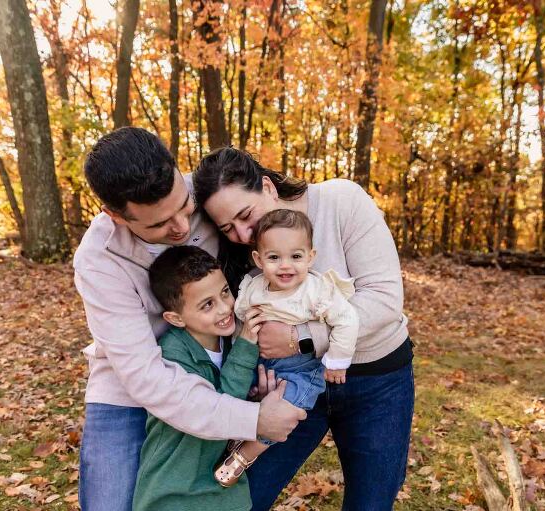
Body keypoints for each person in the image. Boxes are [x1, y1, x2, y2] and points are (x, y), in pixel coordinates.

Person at [73, 127, 305, 511]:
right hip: (130, 388)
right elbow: (146, 379)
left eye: (184, 208)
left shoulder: (209, 196)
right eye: (159, 225)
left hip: (215, 368)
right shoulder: (98, 260)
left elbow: (277, 225)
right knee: (109, 503)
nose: (181, 228)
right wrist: (252, 419)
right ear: (114, 215)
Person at [194, 147, 414, 511]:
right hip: (290, 385)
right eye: (228, 228)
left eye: (245, 215)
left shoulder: (340, 202)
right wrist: (257, 374)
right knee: (245, 498)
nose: (244, 233)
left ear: (267, 186)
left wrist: (301, 339)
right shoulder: (244, 256)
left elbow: (385, 299)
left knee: (371, 503)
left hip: (376, 381)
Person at [214, 209, 358, 488]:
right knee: (241, 397)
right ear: (258, 259)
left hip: (301, 369)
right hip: (260, 363)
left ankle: (244, 455)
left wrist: (337, 361)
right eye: (274, 257)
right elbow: (241, 323)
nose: (285, 266)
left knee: (286, 407)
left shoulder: (316, 290)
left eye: (296, 256)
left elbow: (347, 319)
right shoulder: (253, 288)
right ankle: (233, 435)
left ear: (310, 257)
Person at [132, 245, 265, 511]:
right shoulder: (172, 357)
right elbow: (220, 407)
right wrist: (247, 346)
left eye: (225, 292)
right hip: (173, 493)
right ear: (175, 318)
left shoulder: (227, 341)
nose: (224, 308)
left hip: (224, 491)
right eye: (207, 305)